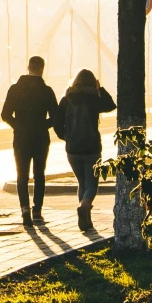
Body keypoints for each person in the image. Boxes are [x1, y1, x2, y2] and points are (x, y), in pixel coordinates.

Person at [56, 67, 115, 234]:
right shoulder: (93, 98)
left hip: (72, 150)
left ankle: (86, 221)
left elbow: (57, 123)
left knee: (81, 182)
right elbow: (111, 105)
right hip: (92, 148)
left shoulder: (66, 99)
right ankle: (84, 206)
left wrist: (66, 138)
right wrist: (100, 87)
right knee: (92, 184)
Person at [1, 55, 58, 224]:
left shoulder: (15, 89)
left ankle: (24, 209)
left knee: (22, 175)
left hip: (21, 138)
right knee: (39, 174)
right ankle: (37, 211)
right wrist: (43, 125)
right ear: (42, 69)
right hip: (40, 138)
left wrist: (18, 125)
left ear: (28, 68)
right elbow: (55, 116)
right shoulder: (47, 91)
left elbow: (5, 114)